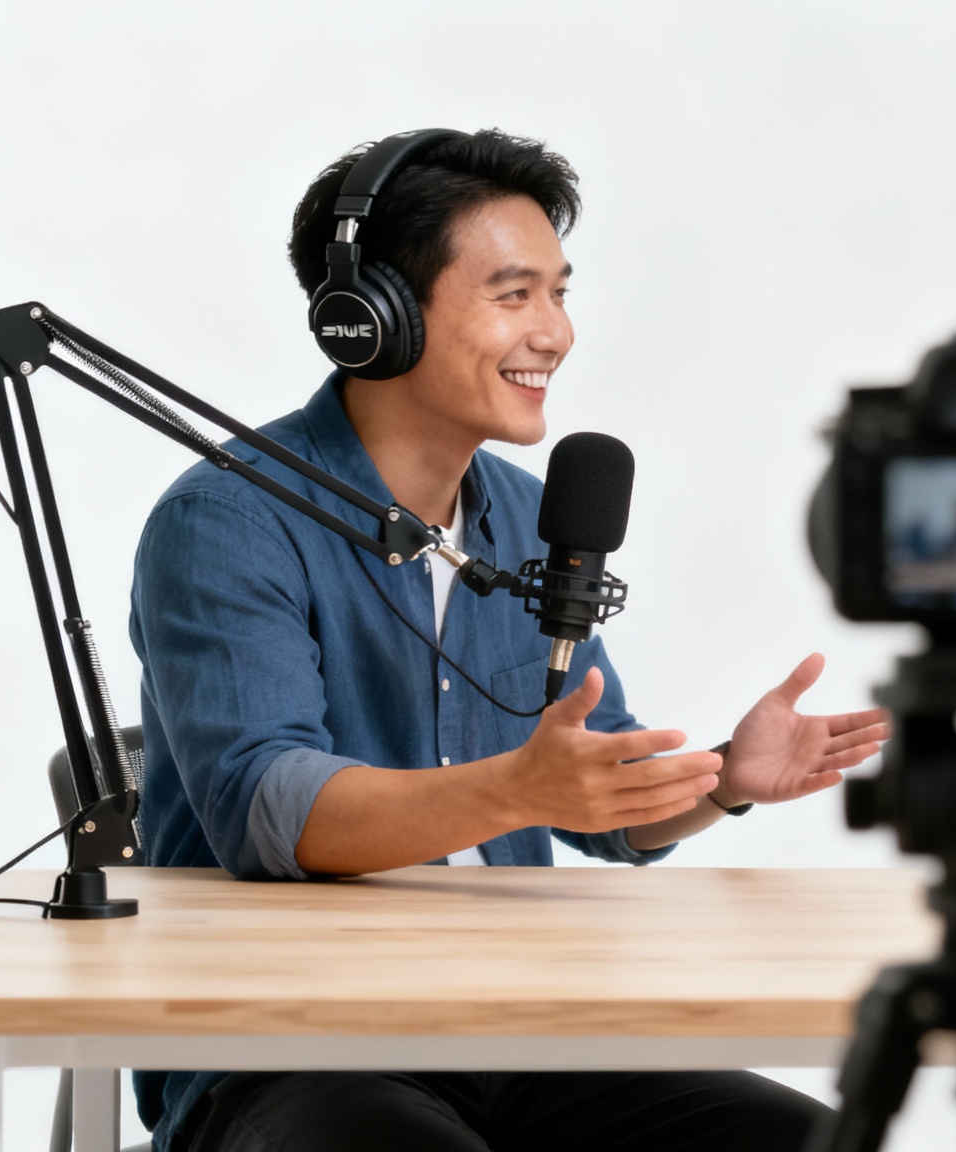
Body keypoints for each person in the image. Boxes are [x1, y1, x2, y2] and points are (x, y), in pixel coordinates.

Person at [128, 129, 889, 1152]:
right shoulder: (229, 522)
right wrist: (521, 789)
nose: (556, 334)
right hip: (295, 1047)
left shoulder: (531, 522)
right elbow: (269, 813)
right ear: (375, 317)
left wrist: (718, 782)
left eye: (560, 294)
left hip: (521, 1029)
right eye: (514, 294)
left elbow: (600, 815)